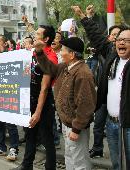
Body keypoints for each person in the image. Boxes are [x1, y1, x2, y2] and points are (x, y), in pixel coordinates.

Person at [72, 5, 130, 170]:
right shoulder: (112, 56)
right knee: (117, 163)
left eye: (126, 40)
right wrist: (83, 17)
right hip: (111, 125)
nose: (121, 43)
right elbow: (96, 36)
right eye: (119, 40)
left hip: (128, 126)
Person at [34, 36, 97, 169]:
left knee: (80, 162)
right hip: (66, 122)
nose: (60, 52)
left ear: (72, 54)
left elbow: (86, 105)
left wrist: (76, 128)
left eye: (63, 50)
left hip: (75, 126)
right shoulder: (66, 67)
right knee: (69, 156)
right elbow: (49, 69)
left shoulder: (83, 73)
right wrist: (40, 52)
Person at [13, 25, 58, 170]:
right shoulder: (31, 53)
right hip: (29, 99)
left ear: (46, 39)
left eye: (38, 34)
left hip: (43, 102)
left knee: (47, 138)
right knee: (30, 134)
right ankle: (26, 165)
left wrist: (38, 112)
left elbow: (44, 88)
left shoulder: (51, 57)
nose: (34, 36)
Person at [0, 35, 19, 161]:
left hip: (9, 94)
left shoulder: (13, 56)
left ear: (5, 43)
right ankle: (1, 146)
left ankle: (14, 148)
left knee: (10, 123)